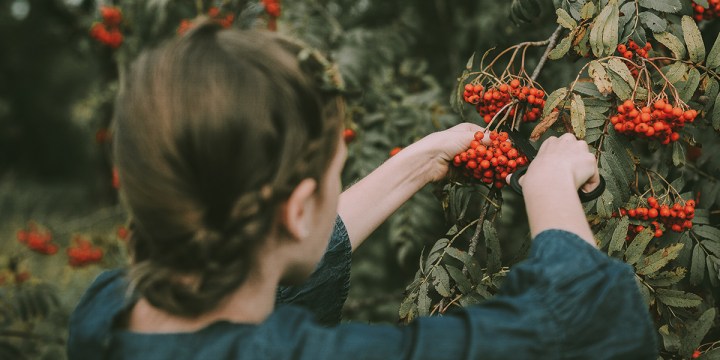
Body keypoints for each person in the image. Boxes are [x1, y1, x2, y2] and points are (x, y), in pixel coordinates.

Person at [67, 22, 658, 359]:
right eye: (335, 174)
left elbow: (261, 254)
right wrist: (549, 185)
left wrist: (419, 162)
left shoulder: (107, 312)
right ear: (297, 210)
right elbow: (592, 325)